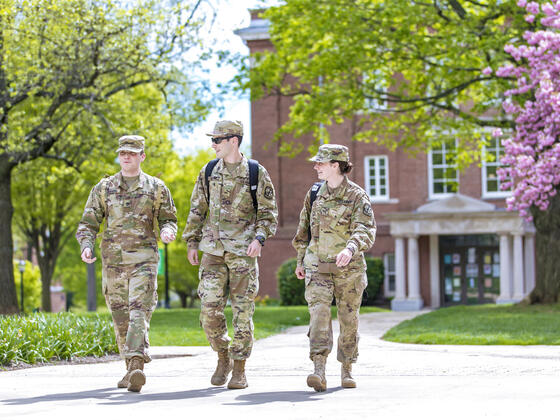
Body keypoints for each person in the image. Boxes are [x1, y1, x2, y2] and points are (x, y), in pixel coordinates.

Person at [76, 135, 177, 393]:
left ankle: (136, 364)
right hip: (113, 263)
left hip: (144, 259)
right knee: (120, 315)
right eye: (123, 153)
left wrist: (167, 231)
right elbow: (88, 223)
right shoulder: (104, 187)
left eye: (132, 153)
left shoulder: (156, 188)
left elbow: (169, 218)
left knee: (138, 311)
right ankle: (129, 369)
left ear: (142, 156)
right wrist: (86, 245)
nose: (126, 157)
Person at [183, 120, 278, 389]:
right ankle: (222, 353)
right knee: (209, 310)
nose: (213, 145)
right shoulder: (209, 171)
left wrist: (259, 239)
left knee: (242, 313)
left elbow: (269, 215)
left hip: (242, 253)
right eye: (212, 140)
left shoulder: (256, 173)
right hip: (212, 251)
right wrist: (192, 241)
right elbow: (197, 208)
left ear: (234, 141)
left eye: (218, 140)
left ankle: (239, 368)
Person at [292, 144, 376, 392]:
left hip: (349, 270)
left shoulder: (357, 196)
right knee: (318, 314)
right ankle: (318, 369)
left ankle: (347, 367)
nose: (315, 167)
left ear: (335, 166)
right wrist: (300, 260)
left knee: (348, 320)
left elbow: (366, 229)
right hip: (317, 266)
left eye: (321, 163)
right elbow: (303, 230)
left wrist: (350, 248)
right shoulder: (315, 193)